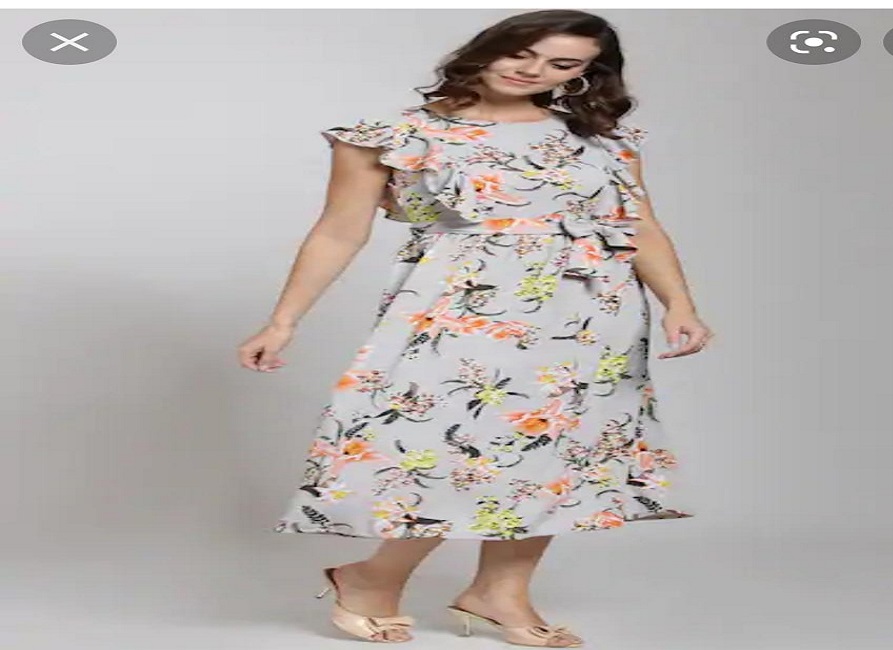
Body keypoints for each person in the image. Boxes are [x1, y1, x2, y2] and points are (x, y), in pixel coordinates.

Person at [238, 9, 714, 647]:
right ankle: (372, 578)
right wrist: (283, 321)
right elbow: (338, 232)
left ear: (585, 74)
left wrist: (679, 303)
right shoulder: (398, 136)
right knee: (446, 452)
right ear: (489, 47)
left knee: (558, 453)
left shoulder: (601, 140)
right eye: (523, 53)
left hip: (590, 318)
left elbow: (641, 226)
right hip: (465, 312)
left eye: (562, 64)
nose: (533, 71)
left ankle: (499, 594)